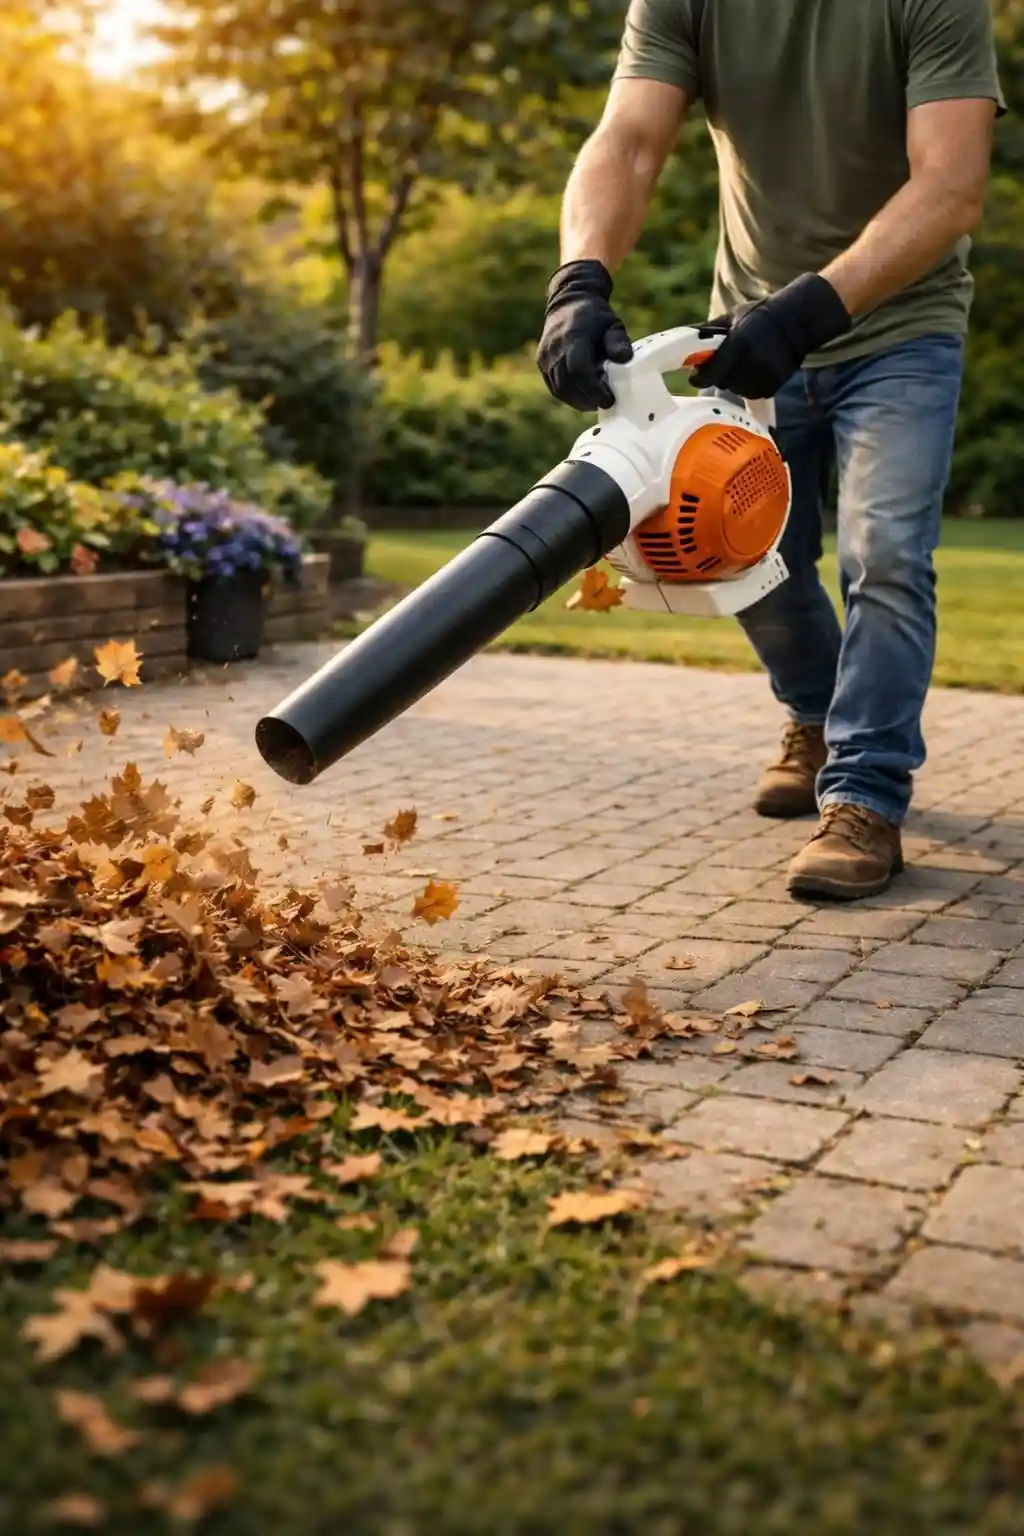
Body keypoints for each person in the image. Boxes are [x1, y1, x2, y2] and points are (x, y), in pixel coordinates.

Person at [537, 0, 1004, 901]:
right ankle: (817, 715)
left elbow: (951, 186)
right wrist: (577, 280)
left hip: (900, 332)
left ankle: (864, 797)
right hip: (753, 332)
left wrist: (811, 310)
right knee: (740, 552)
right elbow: (628, 142)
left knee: (887, 554)